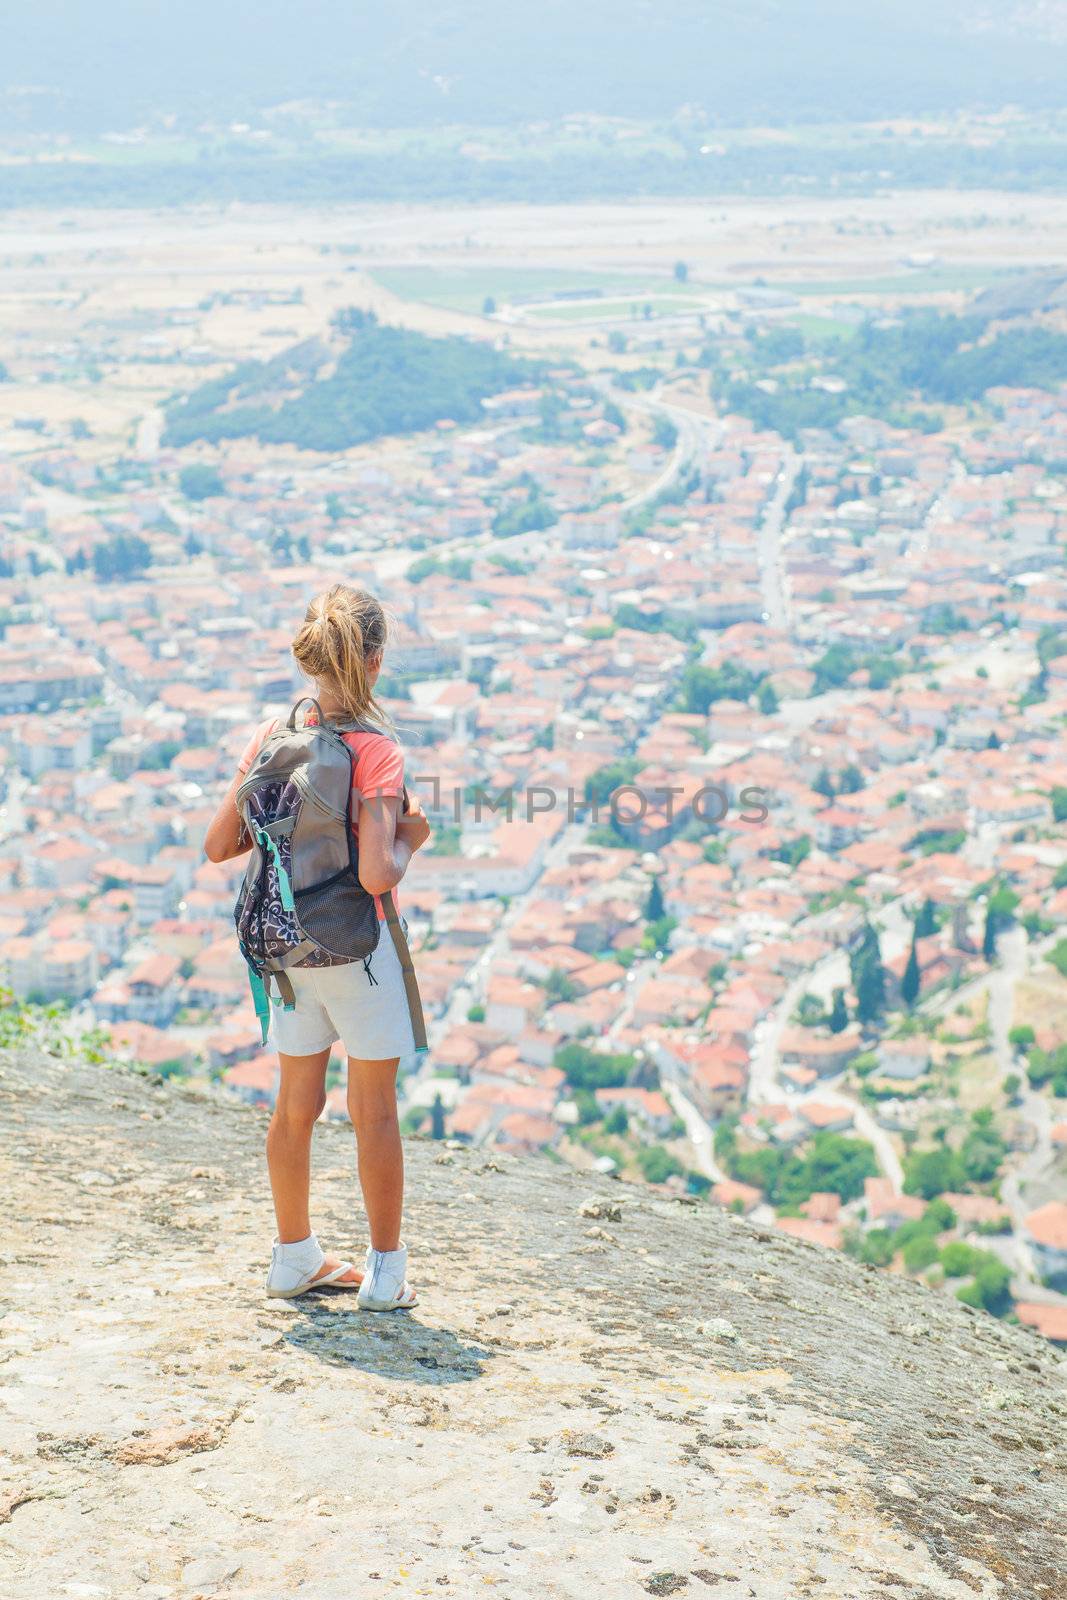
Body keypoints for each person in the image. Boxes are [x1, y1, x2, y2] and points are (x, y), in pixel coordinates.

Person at [204, 584, 431, 1310]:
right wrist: (410, 837)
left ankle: (292, 1257)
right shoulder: (378, 752)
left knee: (294, 1106)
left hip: (285, 954)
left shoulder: (271, 737)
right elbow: (374, 872)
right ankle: (385, 1274)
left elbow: (217, 846)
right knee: (375, 1112)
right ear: (374, 661)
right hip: (360, 955)